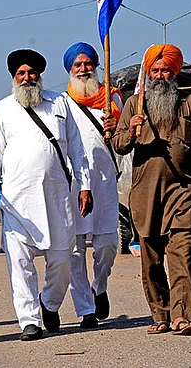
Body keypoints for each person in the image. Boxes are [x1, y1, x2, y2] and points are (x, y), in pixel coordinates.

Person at [0, 49, 93, 341]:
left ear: (40, 76)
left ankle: (50, 302)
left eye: (32, 72)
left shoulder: (60, 103)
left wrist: (85, 186)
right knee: (19, 264)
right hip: (17, 204)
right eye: (21, 73)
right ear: (14, 78)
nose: (27, 77)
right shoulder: (4, 108)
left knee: (62, 262)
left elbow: (78, 149)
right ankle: (29, 320)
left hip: (57, 199)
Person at [111, 44, 191, 336]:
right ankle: (160, 313)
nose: (161, 75)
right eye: (156, 70)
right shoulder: (134, 105)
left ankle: (183, 316)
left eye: (166, 70)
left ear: (175, 72)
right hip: (146, 194)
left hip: (184, 192)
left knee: (183, 254)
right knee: (151, 260)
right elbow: (118, 144)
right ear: (148, 74)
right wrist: (131, 131)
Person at [61, 42, 121, 328]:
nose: (84, 69)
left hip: (105, 183)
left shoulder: (112, 99)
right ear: (70, 70)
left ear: (96, 67)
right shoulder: (62, 103)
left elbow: (124, 140)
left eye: (88, 64)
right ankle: (85, 308)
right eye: (78, 65)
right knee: (75, 250)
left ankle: (99, 286)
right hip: (73, 184)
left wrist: (116, 126)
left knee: (107, 245)